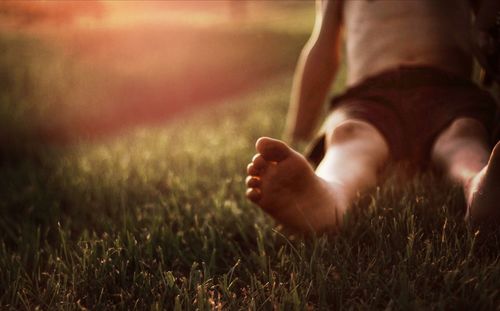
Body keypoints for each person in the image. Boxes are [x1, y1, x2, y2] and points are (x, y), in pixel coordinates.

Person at [245, 0, 500, 232]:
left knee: (464, 134)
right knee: (349, 135)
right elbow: (323, 49)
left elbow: (489, 24)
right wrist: (299, 132)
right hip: (370, 96)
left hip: (448, 90)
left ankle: (479, 185)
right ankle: (327, 195)